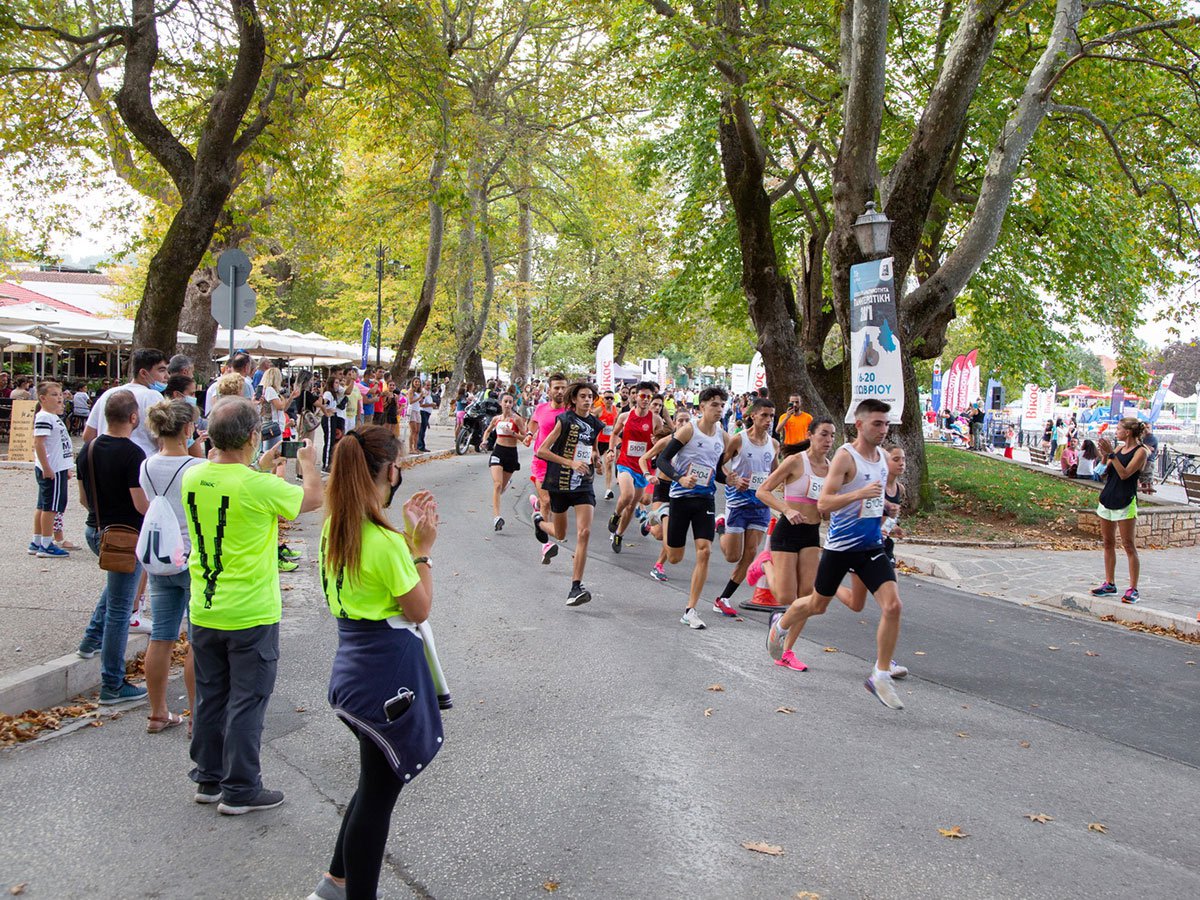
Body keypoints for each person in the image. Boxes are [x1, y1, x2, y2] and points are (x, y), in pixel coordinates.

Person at [309, 426, 441, 900]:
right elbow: (419, 608)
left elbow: (377, 582)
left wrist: (406, 538)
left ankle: (334, 880)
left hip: (354, 668)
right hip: (387, 678)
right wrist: (422, 550)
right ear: (390, 471)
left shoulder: (337, 527)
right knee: (378, 796)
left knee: (372, 785)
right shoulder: (383, 541)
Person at [184, 397, 323, 814]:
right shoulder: (259, 487)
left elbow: (235, 483)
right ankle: (241, 788)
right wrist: (309, 461)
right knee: (247, 699)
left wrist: (256, 464)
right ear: (251, 436)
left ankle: (208, 778)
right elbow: (312, 499)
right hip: (250, 611)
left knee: (212, 696)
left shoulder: (195, 476)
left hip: (204, 607)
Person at [765, 399, 908, 709]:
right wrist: (859, 493)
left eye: (886, 424)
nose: (883, 430)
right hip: (840, 547)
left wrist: (885, 510)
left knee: (893, 605)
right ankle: (782, 623)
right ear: (859, 425)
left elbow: (869, 502)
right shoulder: (845, 458)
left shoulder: (883, 459)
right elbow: (824, 504)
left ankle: (880, 675)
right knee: (816, 605)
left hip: (871, 546)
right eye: (876, 424)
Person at [755, 417, 852, 670]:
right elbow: (763, 491)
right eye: (823, 435)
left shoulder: (833, 469)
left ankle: (787, 651)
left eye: (832, 436)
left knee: (807, 598)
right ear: (810, 435)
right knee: (785, 595)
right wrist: (786, 509)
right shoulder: (795, 461)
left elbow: (828, 507)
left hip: (811, 533)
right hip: (788, 531)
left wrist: (832, 510)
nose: (828, 441)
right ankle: (764, 564)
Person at [75, 390, 149, 704]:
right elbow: (140, 504)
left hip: (96, 530)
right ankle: (113, 683)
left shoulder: (88, 450)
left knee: (116, 590)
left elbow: (82, 499)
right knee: (121, 609)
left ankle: (91, 638)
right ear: (134, 418)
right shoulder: (133, 455)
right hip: (125, 537)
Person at [139, 399, 202, 734]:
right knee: (196, 640)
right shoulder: (196, 467)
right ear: (188, 428)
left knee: (161, 637)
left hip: (159, 557)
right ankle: (195, 715)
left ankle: (157, 712)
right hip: (190, 555)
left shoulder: (147, 465)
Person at [655, 386, 730, 630]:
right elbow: (662, 460)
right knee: (675, 557)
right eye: (714, 405)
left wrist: (731, 479)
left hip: (705, 500)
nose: (719, 409)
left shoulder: (723, 435)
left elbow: (717, 472)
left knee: (704, 551)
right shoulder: (689, 430)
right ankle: (663, 514)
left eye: (722, 405)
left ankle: (691, 610)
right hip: (680, 498)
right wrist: (679, 478)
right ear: (702, 407)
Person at [535, 382, 603, 605]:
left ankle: (575, 587)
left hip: (583, 483)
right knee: (561, 534)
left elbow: (591, 448)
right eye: (582, 396)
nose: (587, 400)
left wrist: (597, 459)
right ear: (573, 399)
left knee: (584, 532)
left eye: (590, 396)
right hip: (560, 482)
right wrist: (569, 463)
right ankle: (540, 523)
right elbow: (542, 450)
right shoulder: (564, 420)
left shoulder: (594, 424)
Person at [712, 398, 777, 616]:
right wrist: (732, 477)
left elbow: (776, 474)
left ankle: (724, 598)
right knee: (732, 556)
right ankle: (720, 525)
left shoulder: (774, 444)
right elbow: (719, 464)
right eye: (764, 415)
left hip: (760, 504)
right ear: (753, 416)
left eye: (771, 416)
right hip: (738, 502)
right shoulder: (738, 440)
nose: (769, 420)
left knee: (749, 555)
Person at [1090, 417, 1148, 604]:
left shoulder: (1141, 452)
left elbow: (1125, 474)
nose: (1116, 431)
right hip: (1108, 498)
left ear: (1128, 432)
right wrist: (1105, 455)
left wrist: (1112, 456)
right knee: (1108, 542)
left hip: (1125, 500)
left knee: (1128, 545)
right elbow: (1103, 471)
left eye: (1119, 428)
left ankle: (1133, 588)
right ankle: (1110, 583)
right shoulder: (1118, 449)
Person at [607, 382, 667, 553]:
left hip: (643, 466)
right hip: (625, 463)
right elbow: (614, 434)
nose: (646, 400)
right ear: (636, 397)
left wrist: (656, 442)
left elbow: (660, 441)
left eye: (649, 397)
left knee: (632, 506)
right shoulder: (625, 417)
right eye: (643, 396)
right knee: (627, 495)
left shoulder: (656, 420)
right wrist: (611, 450)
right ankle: (616, 515)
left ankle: (619, 534)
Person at [83, 348, 170, 458]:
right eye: (161, 370)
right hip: (141, 464)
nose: (167, 376)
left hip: (106, 462)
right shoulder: (152, 395)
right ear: (143, 373)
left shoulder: (109, 394)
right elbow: (165, 439)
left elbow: (88, 436)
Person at [31, 381, 75, 558]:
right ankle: (47, 544)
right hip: (52, 469)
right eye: (54, 395)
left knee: (44, 504)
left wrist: (67, 467)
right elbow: (39, 443)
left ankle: (37, 540)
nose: (59, 398)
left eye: (60, 394)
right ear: (42, 398)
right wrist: (47, 467)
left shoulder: (53, 417)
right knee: (51, 506)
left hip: (59, 467)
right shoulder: (44, 417)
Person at [528, 373, 568, 564]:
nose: (560, 391)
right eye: (556, 388)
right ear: (549, 390)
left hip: (561, 464)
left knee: (552, 503)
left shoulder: (570, 412)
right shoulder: (541, 408)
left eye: (563, 388)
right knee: (547, 501)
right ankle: (546, 545)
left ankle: (536, 506)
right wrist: (529, 433)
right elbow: (534, 422)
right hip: (541, 462)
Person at [482, 393, 528, 531]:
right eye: (505, 401)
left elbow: (525, 439)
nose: (508, 404)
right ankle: (497, 518)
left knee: (501, 488)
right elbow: (487, 431)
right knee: (497, 485)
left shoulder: (517, 419)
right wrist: (484, 440)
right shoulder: (496, 419)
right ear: (500, 403)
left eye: (510, 402)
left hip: (511, 454)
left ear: (513, 404)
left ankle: (506, 484)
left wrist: (513, 433)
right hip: (498, 452)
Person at [319, 374, 347, 473]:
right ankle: (326, 464)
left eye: (338, 383)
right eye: (336, 383)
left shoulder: (333, 394)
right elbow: (323, 403)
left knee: (332, 440)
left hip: (333, 417)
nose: (337, 385)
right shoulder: (328, 393)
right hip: (329, 418)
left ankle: (330, 463)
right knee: (329, 441)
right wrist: (326, 412)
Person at [595, 390, 619, 500]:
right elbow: (590, 422)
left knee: (609, 464)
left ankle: (608, 490)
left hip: (609, 442)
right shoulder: (599, 410)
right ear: (603, 400)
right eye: (607, 398)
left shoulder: (616, 411)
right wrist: (599, 424)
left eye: (611, 398)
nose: (609, 400)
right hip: (597, 442)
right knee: (592, 465)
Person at [1138, 422, 1158, 494]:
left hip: (1148, 462)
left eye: (1148, 427)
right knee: (1143, 481)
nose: (1146, 430)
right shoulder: (1143, 438)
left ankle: (1149, 496)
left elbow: (1146, 448)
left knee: (1148, 482)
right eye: (1144, 428)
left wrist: (1142, 446)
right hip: (1144, 461)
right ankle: (1146, 496)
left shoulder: (1151, 438)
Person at [417, 381, 435, 451]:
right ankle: (420, 446)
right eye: (427, 385)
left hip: (427, 412)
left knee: (423, 429)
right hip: (423, 412)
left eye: (430, 385)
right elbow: (421, 404)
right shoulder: (423, 392)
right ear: (424, 385)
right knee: (422, 429)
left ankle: (421, 445)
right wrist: (431, 405)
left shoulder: (429, 393)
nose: (429, 387)